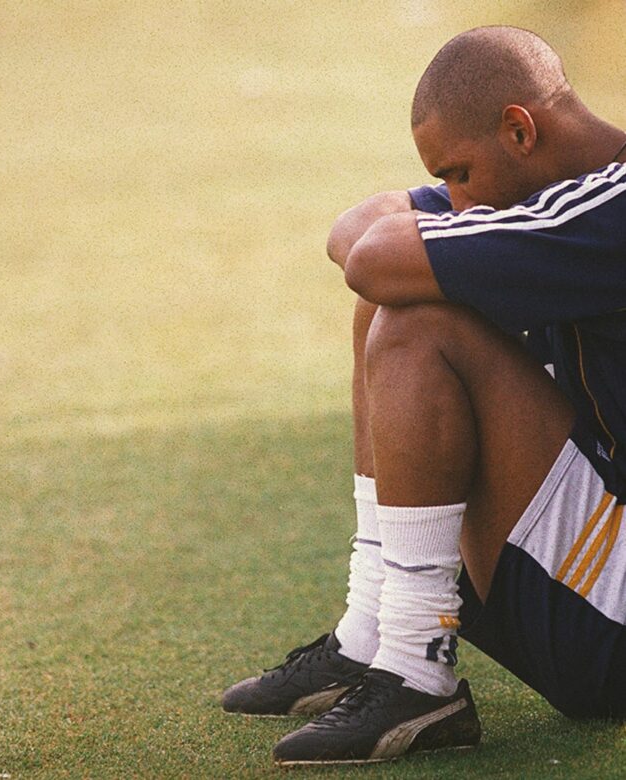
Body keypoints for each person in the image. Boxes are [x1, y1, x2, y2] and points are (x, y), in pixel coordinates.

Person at [221, 25, 626, 765]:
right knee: (396, 296)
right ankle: (373, 632)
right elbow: (356, 230)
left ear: (519, 130)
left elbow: (374, 254)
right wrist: (452, 222)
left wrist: (434, 238)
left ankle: (415, 668)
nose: (458, 201)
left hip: (617, 627)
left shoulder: (611, 209)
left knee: (416, 318)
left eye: (461, 174)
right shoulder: (564, 197)